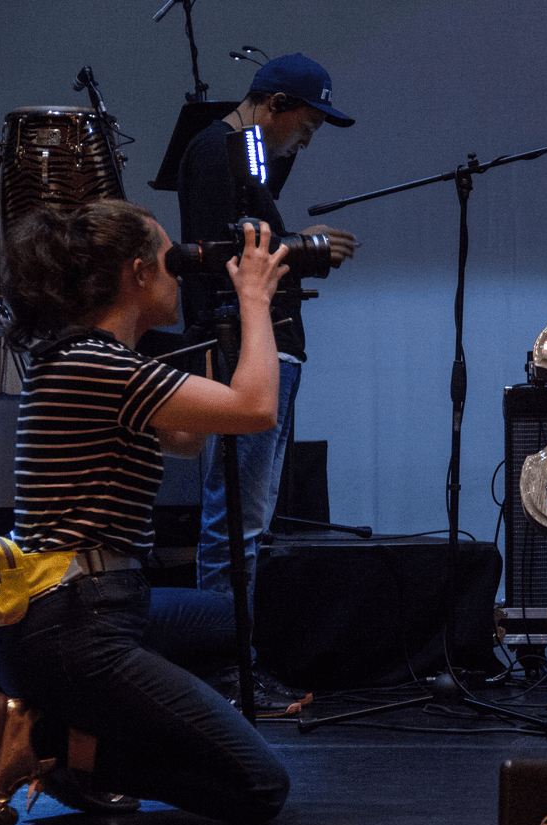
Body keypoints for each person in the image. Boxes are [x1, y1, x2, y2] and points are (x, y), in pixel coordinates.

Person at [0, 199, 292, 825]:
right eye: (169, 262)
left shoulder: (89, 362)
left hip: (77, 611)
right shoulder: (97, 365)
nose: (178, 276)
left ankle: (88, 725)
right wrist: (254, 300)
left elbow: (187, 439)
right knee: (258, 787)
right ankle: (61, 746)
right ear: (138, 273)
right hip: (73, 627)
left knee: (233, 618)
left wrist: (218, 345)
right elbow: (256, 408)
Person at [176, 53, 356, 709]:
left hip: (269, 349)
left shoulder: (245, 155)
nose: (304, 141)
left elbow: (252, 240)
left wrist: (296, 247)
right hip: (247, 349)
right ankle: (227, 669)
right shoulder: (216, 151)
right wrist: (305, 246)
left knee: (247, 520)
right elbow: (230, 257)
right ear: (275, 104)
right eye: (304, 126)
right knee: (236, 521)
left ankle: (234, 665)